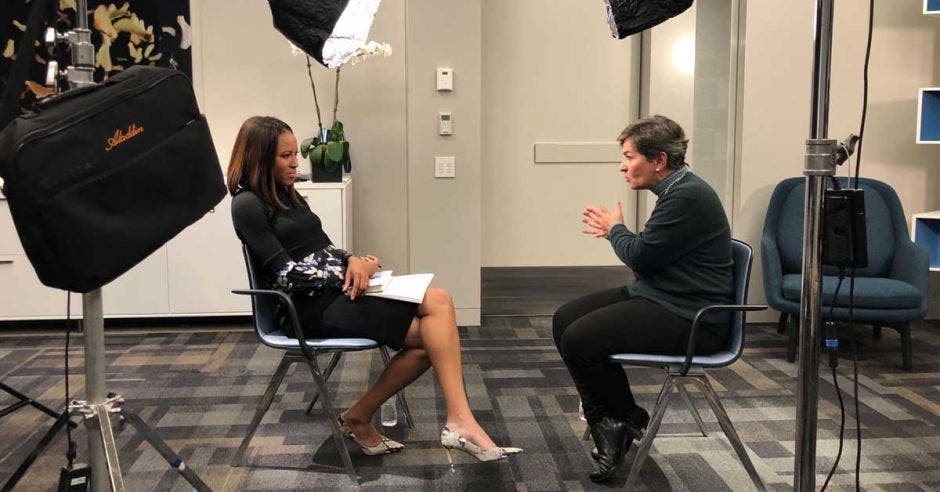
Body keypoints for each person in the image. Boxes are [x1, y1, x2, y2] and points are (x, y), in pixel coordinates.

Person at [228, 116, 520, 462]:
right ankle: (455, 422)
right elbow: (287, 275)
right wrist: (348, 273)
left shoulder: (287, 194)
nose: (295, 162)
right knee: (436, 326)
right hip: (305, 310)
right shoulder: (247, 204)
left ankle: (379, 417)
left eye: (295, 154)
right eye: (285, 157)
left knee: (437, 317)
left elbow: (323, 250)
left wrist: (356, 260)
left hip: (335, 295)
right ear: (259, 159)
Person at [553, 115, 733, 482]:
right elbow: (648, 259)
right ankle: (620, 416)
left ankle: (610, 423)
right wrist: (623, 236)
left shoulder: (686, 195)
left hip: (694, 316)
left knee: (580, 338)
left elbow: (639, 256)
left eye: (629, 156)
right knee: (564, 318)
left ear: (659, 160)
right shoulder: (677, 190)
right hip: (662, 296)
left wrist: (614, 230)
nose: (623, 166)